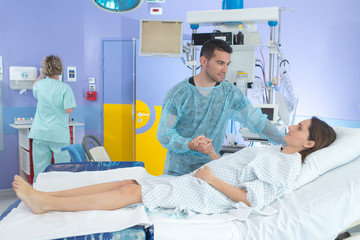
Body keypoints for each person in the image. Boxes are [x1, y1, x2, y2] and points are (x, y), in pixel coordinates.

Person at [13, 117, 336, 216]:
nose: (292, 126)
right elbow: (231, 169)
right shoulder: (271, 149)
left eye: (300, 128)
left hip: (207, 195)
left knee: (131, 191)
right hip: (199, 181)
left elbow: (252, 199)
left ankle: (46, 204)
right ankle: (47, 197)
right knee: (126, 182)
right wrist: (211, 155)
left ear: (309, 144)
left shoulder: (288, 165)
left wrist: (209, 178)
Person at [157, 39, 286, 176]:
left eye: (227, 64)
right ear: (204, 61)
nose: (225, 69)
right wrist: (190, 144)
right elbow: (165, 134)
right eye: (220, 63)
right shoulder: (179, 94)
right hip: (179, 171)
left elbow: (257, 121)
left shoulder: (230, 93)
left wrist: (285, 141)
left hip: (212, 169)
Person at [28, 55, 76, 182]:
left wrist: (41, 75)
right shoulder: (64, 88)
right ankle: (60, 192)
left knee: (40, 168)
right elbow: (69, 109)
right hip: (58, 134)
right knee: (62, 167)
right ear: (60, 68)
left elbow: (34, 87)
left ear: (45, 70)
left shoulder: (40, 85)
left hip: (40, 133)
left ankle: (39, 193)